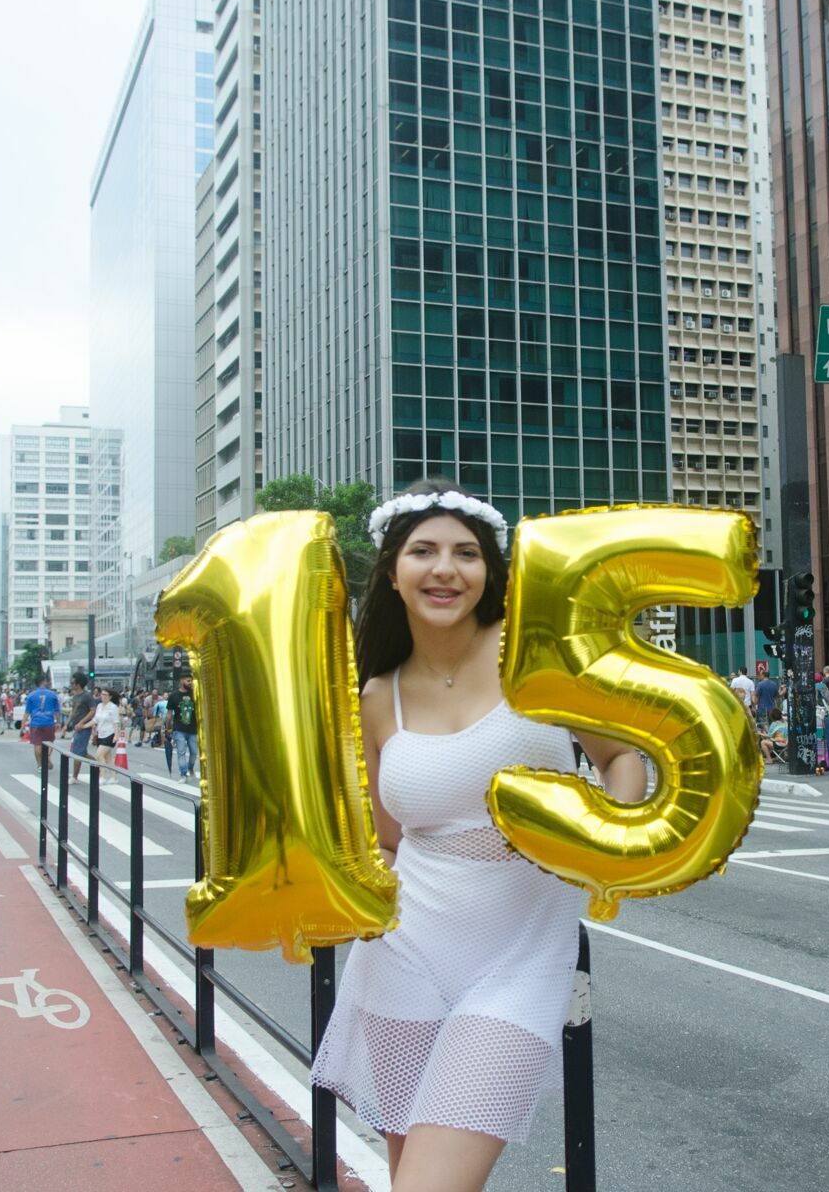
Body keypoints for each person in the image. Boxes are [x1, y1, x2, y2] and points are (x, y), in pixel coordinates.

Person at [309, 480, 647, 1190]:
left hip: (522, 959)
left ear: (490, 571)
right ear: (394, 572)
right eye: (423, 551)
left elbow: (621, 755)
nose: (445, 569)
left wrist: (611, 848)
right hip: (403, 952)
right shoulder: (377, 696)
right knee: (411, 1179)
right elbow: (391, 838)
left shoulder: (537, 654)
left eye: (466, 553)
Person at [22, 675, 59, 774]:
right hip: (49, 722)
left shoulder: (31, 695)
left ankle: (39, 765)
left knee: (37, 744)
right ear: (44, 681)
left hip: (36, 722)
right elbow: (57, 711)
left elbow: (27, 712)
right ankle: (46, 756)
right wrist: (58, 722)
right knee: (50, 742)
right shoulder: (52, 695)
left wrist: (22, 726)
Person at [167, 672, 199, 780]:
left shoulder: (195, 694)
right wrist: (168, 727)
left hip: (193, 728)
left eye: (191, 681)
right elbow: (169, 713)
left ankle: (190, 767)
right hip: (179, 728)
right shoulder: (174, 695)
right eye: (188, 680)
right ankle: (183, 773)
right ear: (181, 681)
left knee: (194, 752)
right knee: (181, 751)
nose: (190, 683)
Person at [66, 673, 97, 767]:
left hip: (84, 727)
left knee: (78, 753)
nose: (71, 685)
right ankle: (98, 765)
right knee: (80, 752)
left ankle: (75, 776)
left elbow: (93, 711)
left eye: (72, 683)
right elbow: (73, 711)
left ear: (78, 684)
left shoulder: (86, 696)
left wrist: (81, 723)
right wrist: (67, 724)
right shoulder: (75, 696)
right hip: (76, 727)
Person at [92, 687, 121, 763]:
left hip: (110, 734)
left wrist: (116, 735)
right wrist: (83, 726)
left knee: (99, 755)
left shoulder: (113, 707)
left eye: (105, 695)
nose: (103, 696)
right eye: (102, 694)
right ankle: (112, 775)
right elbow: (95, 720)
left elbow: (116, 722)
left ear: (110, 697)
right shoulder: (99, 706)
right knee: (108, 757)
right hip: (101, 733)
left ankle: (101, 774)